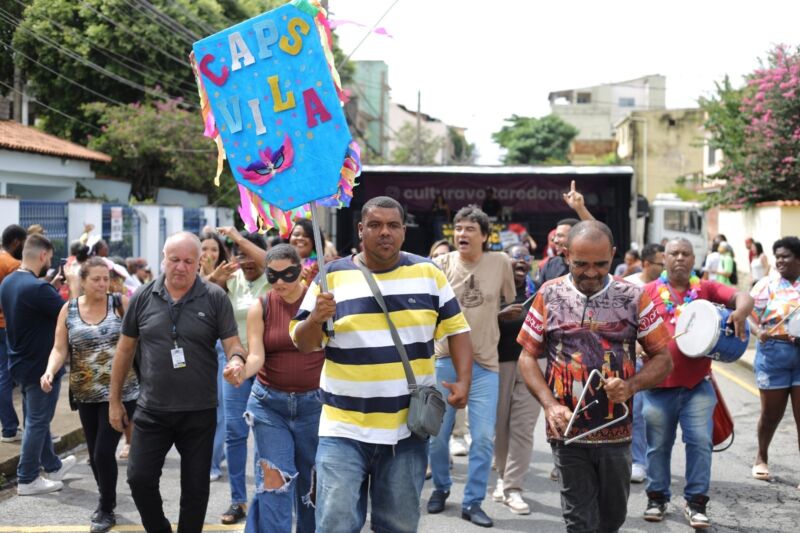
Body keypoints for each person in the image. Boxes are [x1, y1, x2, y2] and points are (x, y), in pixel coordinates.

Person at [291, 196, 473, 533]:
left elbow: (458, 329)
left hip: (407, 431)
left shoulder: (429, 274)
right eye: (375, 225)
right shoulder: (330, 277)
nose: (384, 232)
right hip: (342, 429)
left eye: (392, 225)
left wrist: (464, 381)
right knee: (335, 525)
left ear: (404, 231)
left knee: (398, 526)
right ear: (361, 230)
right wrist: (315, 318)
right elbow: (302, 343)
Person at [517, 221, 672, 533]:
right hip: (567, 432)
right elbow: (527, 356)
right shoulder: (549, 294)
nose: (590, 272)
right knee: (579, 520)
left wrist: (631, 385)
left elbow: (663, 359)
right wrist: (549, 405)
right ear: (565, 256)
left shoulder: (634, 296)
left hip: (617, 431)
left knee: (612, 518)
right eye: (580, 264)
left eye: (601, 264)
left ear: (613, 255)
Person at [108, 232, 250, 533]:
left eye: (189, 261)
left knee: (196, 489)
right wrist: (114, 400)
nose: (181, 267)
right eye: (174, 260)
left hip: (198, 412)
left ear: (199, 263)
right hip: (152, 410)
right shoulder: (143, 297)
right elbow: (124, 350)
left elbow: (233, 343)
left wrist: (237, 360)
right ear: (163, 258)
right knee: (139, 478)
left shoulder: (214, 297)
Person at [641, 237, 753, 528]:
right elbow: (629, 329)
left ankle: (696, 503)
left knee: (701, 443)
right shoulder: (646, 292)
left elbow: (743, 297)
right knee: (657, 446)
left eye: (685, 254)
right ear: (663, 259)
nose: (679, 258)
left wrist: (740, 311)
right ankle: (657, 498)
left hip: (697, 386)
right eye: (673, 253)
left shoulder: (705, 289)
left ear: (693, 260)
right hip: (658, 386)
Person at [224, 243, 325, 532]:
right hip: (270, 405)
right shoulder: (263, 305)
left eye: (288, 274)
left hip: (314, 406)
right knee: (275, 481)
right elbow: (257, 355)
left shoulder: (319, 302)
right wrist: (242, 371)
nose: (280, 282)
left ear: (302, 271)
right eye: (273, 275)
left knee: (310, 484)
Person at [427, 205, 516, 528]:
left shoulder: (501, 263)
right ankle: (440, 487)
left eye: (469, 229)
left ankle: (473, 501)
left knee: (482, 439)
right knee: (436, 436)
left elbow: (508, 303)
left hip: (485, 365)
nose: (462, 234)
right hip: (445, 361)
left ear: (485, 236)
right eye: (458, 229)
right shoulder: (439, 265)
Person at [40, 257, 139, 532]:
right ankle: (105, 496)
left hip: (121, 392)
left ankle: (106, 508)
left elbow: (138, 341)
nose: (102, 284)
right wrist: (49, 372)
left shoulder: (120, 304)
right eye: (96, 279)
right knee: (96, 456)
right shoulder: (68, 309)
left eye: (106, 279)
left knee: (104, 451)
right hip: (85, 393)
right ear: (82, 281)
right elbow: (60, 348)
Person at [0, 234, 76, 495]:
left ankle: (52, 466)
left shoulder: (10, 282)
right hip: (42, 365)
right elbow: (72, 314)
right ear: (43, 255)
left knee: (35, 418)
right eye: (51, 257)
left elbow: (33, 305)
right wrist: (73, 283)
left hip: (19, 361)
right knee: (37, 421)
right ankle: (28, 477)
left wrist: (51, 284)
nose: (50, 262)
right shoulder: (37, 289)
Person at [211, 227, 270, 525]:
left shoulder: (274, 280)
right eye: (239, 255)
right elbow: (199, 300)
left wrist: (239, 238)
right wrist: (213, 281)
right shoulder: (230, 280)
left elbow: (272, 262)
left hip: (266, 364)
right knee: (235, 432)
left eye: (250, 255)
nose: (245, 261)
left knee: (264, 430)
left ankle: (264, 494)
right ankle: (238, 500)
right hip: (234, 362)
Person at [491, 243, 542, 515]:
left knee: (522, 428)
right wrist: (498, 315)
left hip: (533, 365)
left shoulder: (539, 292)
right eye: (515, 258)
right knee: (501, 426)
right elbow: (474, 322)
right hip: (499, 365)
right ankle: (501, 476)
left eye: (525, 258)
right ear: (504, 261)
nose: (521, 262)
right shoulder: (494, 290)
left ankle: (513, 488)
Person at [749, 236, 800, 485]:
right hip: (773, 354)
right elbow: (746, 313)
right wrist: (758, 331)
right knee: (771, 415)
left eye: (786, 256)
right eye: (777, 256)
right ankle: (761, 456)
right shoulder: (766, 285)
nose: (780, 261)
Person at [624, 243, 666, 483]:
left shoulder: (667, 288)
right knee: (637, 412)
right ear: (647, 264)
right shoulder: (628, 286)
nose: (666, 267)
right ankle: (638, 461)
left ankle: (654, 462)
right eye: (662, 263)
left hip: (662, 361)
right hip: (636, 360)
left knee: (658, 415)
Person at [198, 230, 234, 485]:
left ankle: (211, 462)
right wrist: (211, 278)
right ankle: (209, 455)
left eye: (214, 249)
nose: (209, 254)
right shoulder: (189, 276)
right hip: (196, 350)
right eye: (204, 249)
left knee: (220, 409)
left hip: (222, 348)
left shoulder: (229, 277)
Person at [0, 224, 26, 444]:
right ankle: (9, 428)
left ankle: (9, 426)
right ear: (17, 242)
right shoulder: (13, 264)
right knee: (6, 377)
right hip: (6, 325)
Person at [288, 218, 320, 286]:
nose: (300, 238)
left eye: (306, 236)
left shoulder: (320, 264)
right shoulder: (281, 261)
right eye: (296, 234)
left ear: (314, 240)